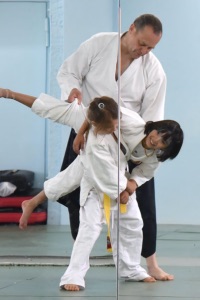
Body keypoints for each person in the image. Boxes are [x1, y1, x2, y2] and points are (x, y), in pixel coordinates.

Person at [0, 88, 183, 290]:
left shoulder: (153, 154)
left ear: (166, 150)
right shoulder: (118, 126)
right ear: (154, 127)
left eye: (164, 142)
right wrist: (79, 133)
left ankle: (130, 269)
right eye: (159, 133)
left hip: (118, 171)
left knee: (133, 223)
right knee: (90, 226)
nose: (157, 140)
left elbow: (144, 174)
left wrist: (130, 188)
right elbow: (98, 108)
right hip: (99, 178)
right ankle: (73, 276)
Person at [56, 13, 170, 280]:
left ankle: (150, 263)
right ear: (131, 28)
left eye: (150, 48)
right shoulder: (99, 44)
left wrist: (141, 151)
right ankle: (78, 263)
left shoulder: (154, 70)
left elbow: (152, 118)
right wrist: (72, 89)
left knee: (143, 200)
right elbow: (69, 70)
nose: (144, 51)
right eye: (141, 44)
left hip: (130, 141)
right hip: (88, 132)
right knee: (77, 196)